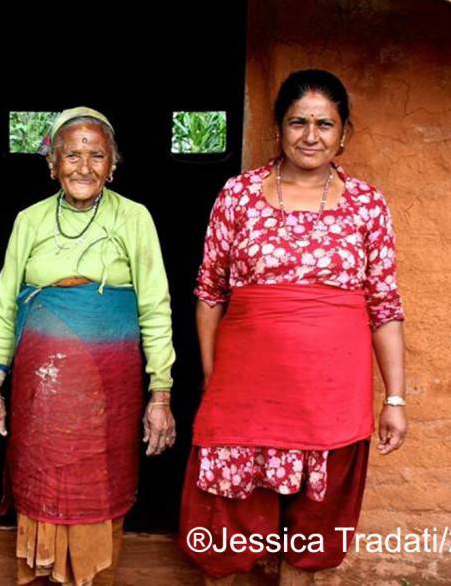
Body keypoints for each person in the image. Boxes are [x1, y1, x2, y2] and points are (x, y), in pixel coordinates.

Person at [179, 70, 407, 585]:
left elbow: (384, 305)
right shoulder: (238, 195)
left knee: (312, 530)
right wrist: (212, 377)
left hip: (331, 398)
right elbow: (210, 293)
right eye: (298, 122)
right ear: (278, 128)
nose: (311, 136)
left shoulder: (366, 204)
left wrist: (395, 399)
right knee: (226, 526)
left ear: (344, 132)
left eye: (325, 124)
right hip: (245, 391)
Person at [0, 107, 177, 586]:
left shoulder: (134, 218)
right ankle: (43, 572)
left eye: (97, 155)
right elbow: (4, 305)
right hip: (41, 390)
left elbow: (156, 307)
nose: (84, 167)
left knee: (97, 480)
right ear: (52, 164)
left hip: (109, 389)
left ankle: (91, 576)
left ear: (113, 165)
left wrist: (161, 394)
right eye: (71, 155)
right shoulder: (29, 220)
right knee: (43, 474)